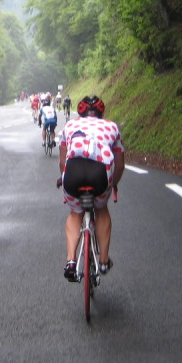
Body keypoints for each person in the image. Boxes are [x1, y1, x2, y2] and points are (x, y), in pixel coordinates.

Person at [57, 95, 124, 280]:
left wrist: (64, 178)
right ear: (101, 112)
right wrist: (114, 183)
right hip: (100, 175)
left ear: (80, 112)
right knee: (101, 210)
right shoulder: (112, 127)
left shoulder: (69, 126)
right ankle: (103, 261)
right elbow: (119, 165)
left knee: (75, 213)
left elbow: (62, 161)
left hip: (73, 173)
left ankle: (71, 261)